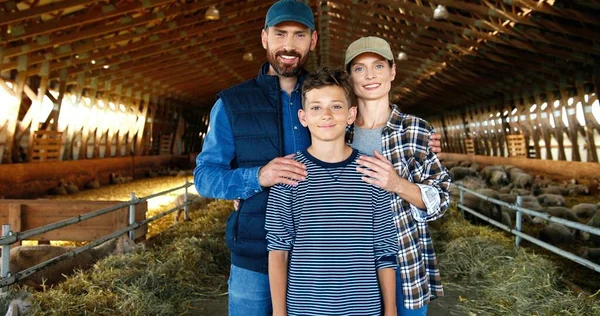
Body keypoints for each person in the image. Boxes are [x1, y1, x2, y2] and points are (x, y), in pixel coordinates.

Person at [194, 1, 442, 315]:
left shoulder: (324, 94)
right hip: (255, 252)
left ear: (313, 41)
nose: (288, 45)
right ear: (264, 38)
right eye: (280, 34)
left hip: (324, 264)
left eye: (299, 35)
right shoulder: (232, 103)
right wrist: (255, 178)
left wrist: (423, 140)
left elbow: (371, 124)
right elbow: (205, 177)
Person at [266, 67, 398, 316]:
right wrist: (279, 312)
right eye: (316, 107)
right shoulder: (287, 175)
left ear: (351, 114)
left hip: (362, 307)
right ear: (303, 117)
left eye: (336, 106)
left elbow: (385, 249)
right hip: (305, 308)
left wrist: (390, 311)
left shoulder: (371, 172)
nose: (326, 114)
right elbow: (278, 250)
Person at [344, 36, 451, 315]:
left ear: (392, 72)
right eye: (359, 68)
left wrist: (397, 184)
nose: (369, 75)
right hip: (351, 263)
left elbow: (442, 198)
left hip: (403, 258)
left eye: (378, 66)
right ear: (349, 77)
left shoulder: (416, 131)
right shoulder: (336, 132)